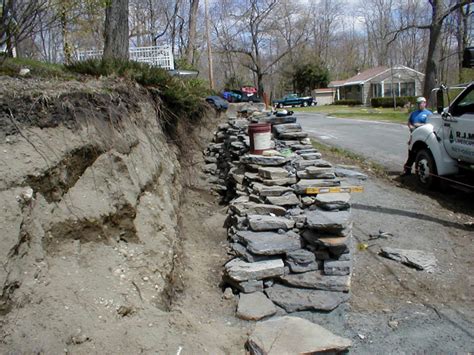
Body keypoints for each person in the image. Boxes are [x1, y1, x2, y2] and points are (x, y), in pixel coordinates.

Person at [401, 96, 432, 176]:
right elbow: (409, 122)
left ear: (425, 103)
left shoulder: (428, 114)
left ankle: (422, 171)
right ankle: (407, 171)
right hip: (413, 136)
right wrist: (410, 126)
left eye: (420, 103)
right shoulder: (414, 113)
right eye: (418, 104)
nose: (419, 105)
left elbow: (430, 125)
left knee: (420, 154)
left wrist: (420, 125)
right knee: (411, 154)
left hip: (423, 138)